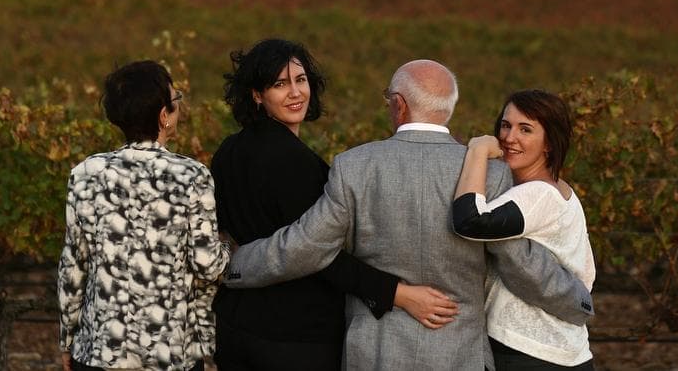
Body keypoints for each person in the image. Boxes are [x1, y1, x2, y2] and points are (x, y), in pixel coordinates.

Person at [225, 59, 594, 370]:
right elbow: (520, 265)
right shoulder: (489, 174)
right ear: (447, 108)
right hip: (458, 353)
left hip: (376, 353)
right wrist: (577, 301)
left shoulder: (355, 166)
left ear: (399, 105)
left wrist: (236, 266)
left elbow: (306, 246)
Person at [210, 39, 457, 370]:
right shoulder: (295, 162)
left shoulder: (228, 149)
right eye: (280, 84)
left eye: (301, 80)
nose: (296, 92)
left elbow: (223, 229)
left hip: (233, 323)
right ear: (257, 95)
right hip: (293, 333)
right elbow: (318, 253)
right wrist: (400, 294)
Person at [57, 60, 229, 371]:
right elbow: (207, 265)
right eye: (176, 100)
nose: (179, 106)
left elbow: (73, 266)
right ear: (164, 116)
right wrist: (229, 252)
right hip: (171, 354)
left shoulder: (86, 173)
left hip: (99, 350)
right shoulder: (191, 176)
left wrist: (67, 339)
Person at [453, 89, 596, 370]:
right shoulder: (556, 190)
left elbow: (470, 221)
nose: (509, 137)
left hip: (534, 354)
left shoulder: (539, 195)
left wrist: (478, 150)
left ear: (549, 144)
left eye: (525, 129)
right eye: (506, 125)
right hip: (557, 350)